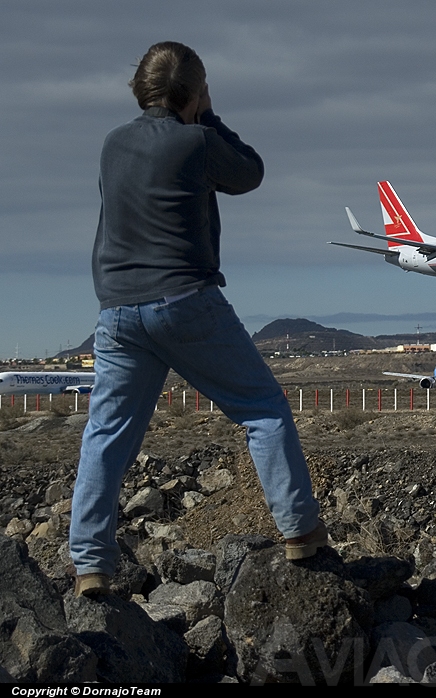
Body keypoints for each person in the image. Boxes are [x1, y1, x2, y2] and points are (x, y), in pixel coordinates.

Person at [70, 42, 327, 597]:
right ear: (195, 91)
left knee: (107, 437)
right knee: (263, 411)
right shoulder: (196, 141)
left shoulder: (113, 144)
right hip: (185, 301)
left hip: (115, 312)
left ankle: (90, 564)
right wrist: (208, 116)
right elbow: (250, 173)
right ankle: (301, 532)